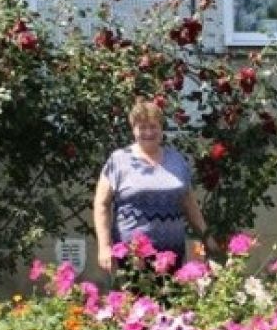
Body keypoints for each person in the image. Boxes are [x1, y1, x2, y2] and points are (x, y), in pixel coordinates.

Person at [93, 100, 217, 275]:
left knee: (174, 301)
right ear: (133, 129)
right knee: (134, 302)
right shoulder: (119, 160)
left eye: (153, 126)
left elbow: (188, 202)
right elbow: (102, 204)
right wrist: (104, 246)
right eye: (142, 127)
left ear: (161, 128)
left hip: (172, 255)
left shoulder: (177, 160)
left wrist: (206, 237)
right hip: (133, 257)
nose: (148, 132)